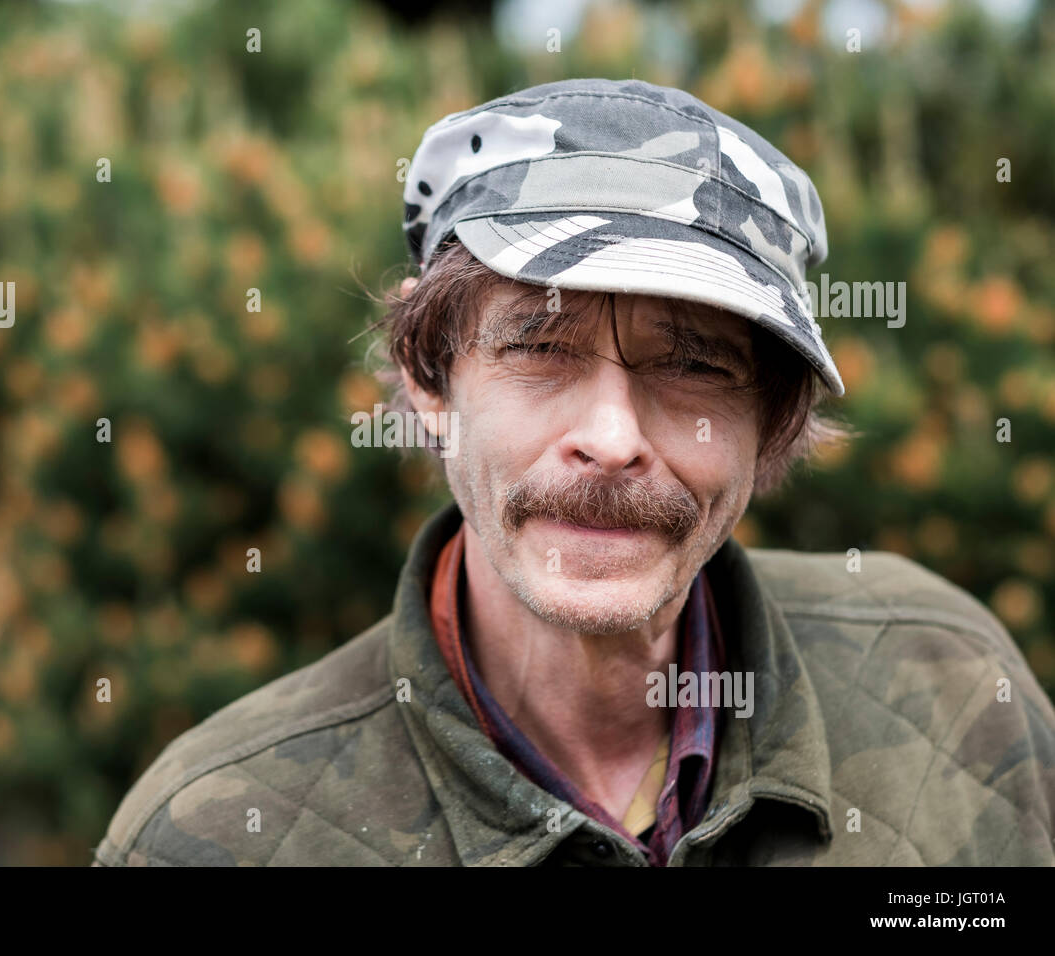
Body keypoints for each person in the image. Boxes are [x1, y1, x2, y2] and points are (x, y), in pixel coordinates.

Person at [94, 78, 1055, 866]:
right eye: (541, 348)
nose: (611, 436)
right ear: (433, 379)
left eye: (694, 365)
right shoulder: (214, 832)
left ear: (770, 421)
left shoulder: (953, 687)